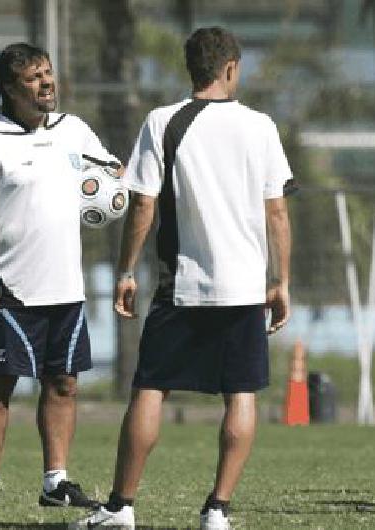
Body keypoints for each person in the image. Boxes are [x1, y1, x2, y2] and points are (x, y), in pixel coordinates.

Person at [72, 27, 295, 530]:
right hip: (243, 287)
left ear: (190, 68)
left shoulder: (162, 121)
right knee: (241, 394)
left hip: (183, 285)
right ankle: (217, 510)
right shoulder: (259, 126)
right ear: (232, 68)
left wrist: (126, 270)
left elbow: (143, 205)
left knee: (151, 388)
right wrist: (280, 282)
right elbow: (277, 211)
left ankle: (121, 508)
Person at [0, 42, 124, 511]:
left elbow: (110, 175)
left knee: (63, 385)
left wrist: (111, 185)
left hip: (66, 286)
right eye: (34, 77)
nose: (47, 83)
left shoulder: (75, 131)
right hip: (10, 288)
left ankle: (56, 480)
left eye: (48, 73)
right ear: (10, 88)